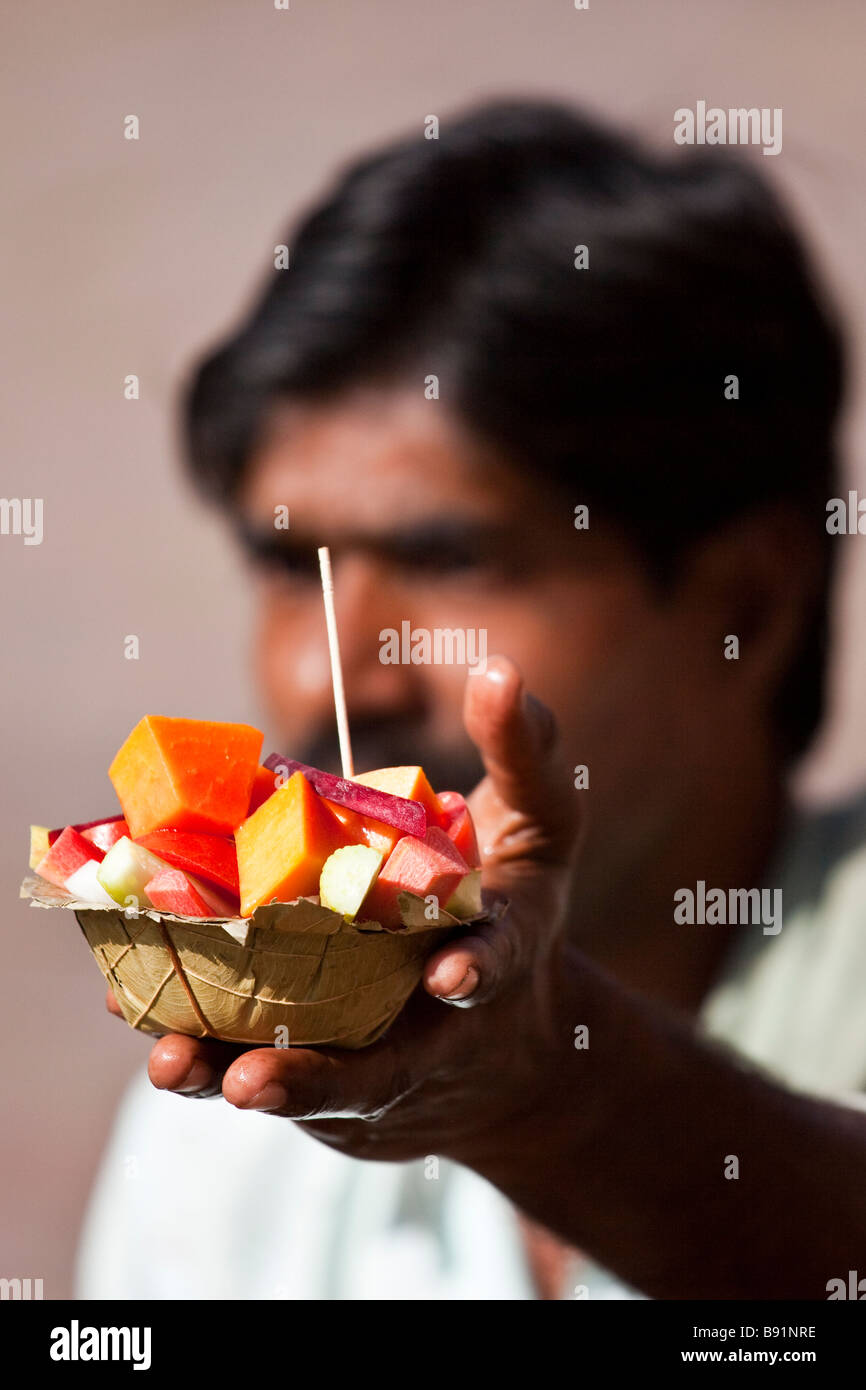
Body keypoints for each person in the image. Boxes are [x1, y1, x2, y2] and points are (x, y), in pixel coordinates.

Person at [77, 99, 866, 1301]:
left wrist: (548, 1089)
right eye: (293, 568)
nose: (332, 676)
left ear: (742, 607)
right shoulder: (226, 1112)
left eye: (450, 561)